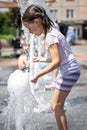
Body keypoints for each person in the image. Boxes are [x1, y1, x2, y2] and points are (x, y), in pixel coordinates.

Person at [21, 4, 80, 130]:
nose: (29, 31)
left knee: (56, 106)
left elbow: (57, 61)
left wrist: (38, 75)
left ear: (36, 21)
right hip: (70, 69)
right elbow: (58, 57)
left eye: (28, 27)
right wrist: (41, 59)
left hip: (68, 71)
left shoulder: (50, 36)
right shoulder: (52, 31)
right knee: (55, 106)